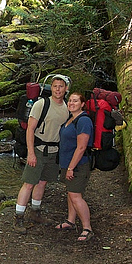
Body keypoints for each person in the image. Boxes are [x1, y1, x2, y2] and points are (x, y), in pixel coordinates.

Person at [14, 75, 70, 234]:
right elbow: (30, 129)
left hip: (53, 152)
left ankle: (35, 213)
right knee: (29, 183)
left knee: (42, 182)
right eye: (55, 86)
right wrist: (31, 153)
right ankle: (18, 217)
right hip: (38, 150)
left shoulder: (66, 107)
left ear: (66, 89)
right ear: (50, 88)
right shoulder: (41, 104)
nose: (58, 89)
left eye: (61, 86)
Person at [55, 92, 95, 242]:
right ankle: (70, 221)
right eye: (70, 100)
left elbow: (81, 147)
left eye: (75, 101)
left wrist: (71, 167)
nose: (71, 103)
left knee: (76, 196)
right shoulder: (71, 119)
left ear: (82, 104)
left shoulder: (84, 121)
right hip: (67, 163)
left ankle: (87, 228)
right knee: (70, 193)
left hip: (78, 164)